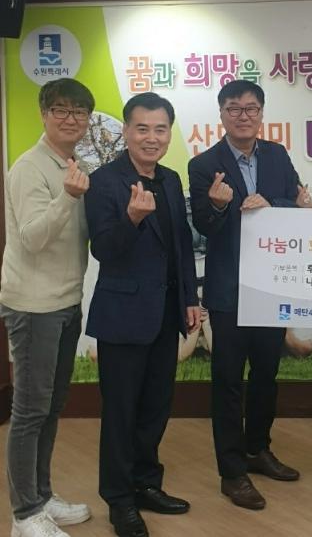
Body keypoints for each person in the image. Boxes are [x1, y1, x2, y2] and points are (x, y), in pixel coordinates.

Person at [84, 92, 201, 537]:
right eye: (142, 128)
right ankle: (119, 500)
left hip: (166, 313)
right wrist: (131, 219)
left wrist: (189, 298)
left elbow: (181, 245)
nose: (151, 138)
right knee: (121, 412)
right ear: (127, 132)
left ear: (169, 133)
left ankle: (146, 484)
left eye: (160, 129)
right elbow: (104, 249)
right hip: (123, 315)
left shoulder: (170, 179)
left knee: (155, 407)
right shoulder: (104, 181)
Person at [188, 79, 300, 510]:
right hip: (229, 290)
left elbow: (295, 204)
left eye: (251, 108)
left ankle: (258, 449)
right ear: (221, 115)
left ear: (261, 113)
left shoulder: (277, 155)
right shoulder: (204, 164)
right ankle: (232, 472)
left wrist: (271, 206)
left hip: (272, 285)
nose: (243, 116)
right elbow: (203, 225)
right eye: (234, 108)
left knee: (267, 375)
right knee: (228, 382)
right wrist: (218, 205)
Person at [0, 78, 94, 537]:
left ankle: (41, 495)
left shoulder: (74, 163)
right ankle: (24, 514)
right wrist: (69, 197)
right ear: (43, 114)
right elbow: (33, 238)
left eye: (79, 111)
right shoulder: (29, 167)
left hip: (66, 301)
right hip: (34, 305)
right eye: (61, 109)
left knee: (52, 405)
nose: (71, 119)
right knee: (30, 411)